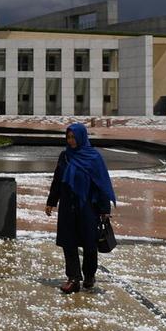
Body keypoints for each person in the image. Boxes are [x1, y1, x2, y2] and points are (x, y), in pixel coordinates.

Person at [44, 123, 116, 294]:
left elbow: (102, 184)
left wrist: (105, 209)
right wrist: (51, 201)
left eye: (73, 137)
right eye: (68, 137)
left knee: (90, 245)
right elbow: (57, 181)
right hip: (68, 207)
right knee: (68, 244)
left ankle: (89, 275)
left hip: (88, 208)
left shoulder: (94, 158)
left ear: (81, 137)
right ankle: (73, 278)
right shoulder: (65, 157)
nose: (71, 141)